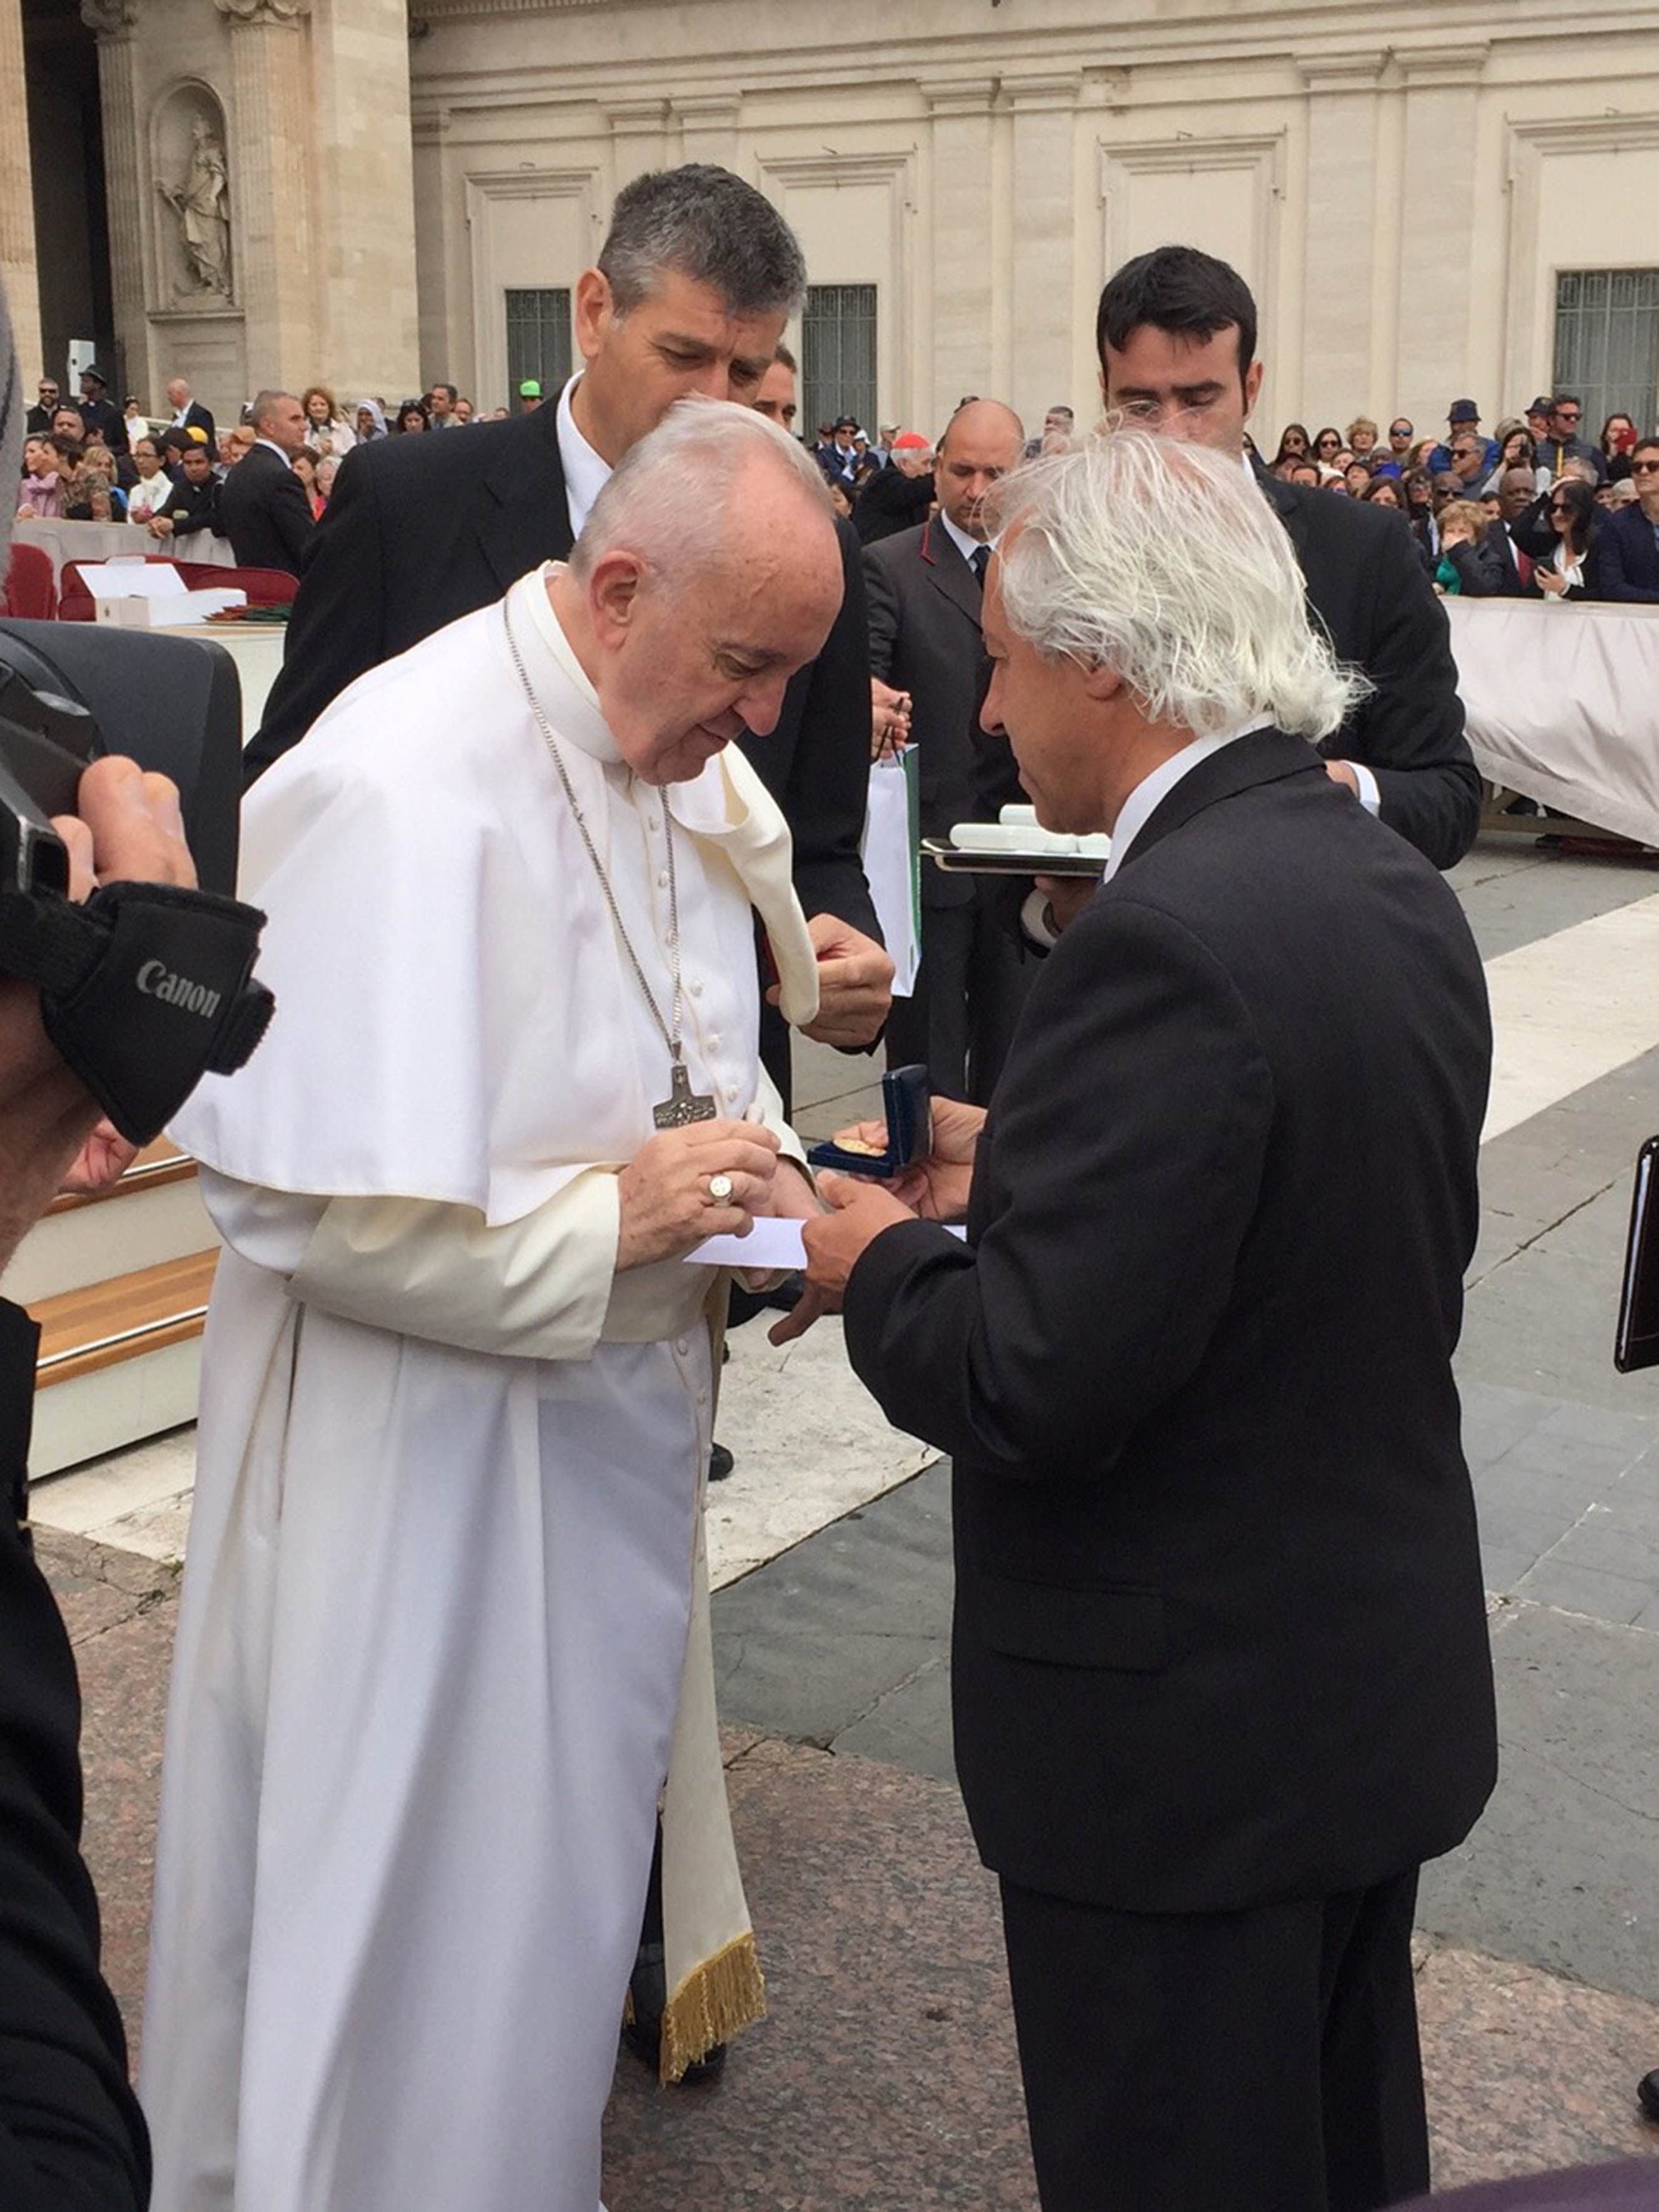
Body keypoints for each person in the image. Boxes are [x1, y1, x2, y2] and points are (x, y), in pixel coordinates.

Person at [781, 428, 1498, 2212]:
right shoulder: (1372, 877)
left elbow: (1031, 1377)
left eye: (1011, 662)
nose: (996, 711)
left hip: (1181, 1757)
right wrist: (1028, 1159)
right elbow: (1292, 1209)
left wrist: (862, 1250)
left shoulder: (1158, 937)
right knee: (1337, 2149)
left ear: (1106, 657)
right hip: (1347, 1692)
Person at [140, 400, 843, 2212]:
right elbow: (292, 1203)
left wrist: (754, 1201)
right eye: (747, 668)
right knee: (413, 1920)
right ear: (619, 587)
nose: (758, 720)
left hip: (599, 1450)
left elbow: (703, 1014)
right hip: (419, 1473)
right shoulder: (395, 776)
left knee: (543, 1918)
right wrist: (613, 1219)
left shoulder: (662, 726)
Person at [242, 163, 889, 1066]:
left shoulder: (808, 555)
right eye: (682, 355)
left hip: (714, 1099)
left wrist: (838, 948)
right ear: (594, 312)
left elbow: (815, 837)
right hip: (460, 1076)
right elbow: (293, 785)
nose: (714, 400)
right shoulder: (408, 504)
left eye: (745, 370)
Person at [1084, 244, 1480, 871]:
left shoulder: (1362, 551)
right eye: (1139, 406)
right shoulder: (1065, 554)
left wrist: (1335, 789)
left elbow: (1447, 799)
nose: (1171, 434)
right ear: (1103, 391)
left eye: (1197, 400)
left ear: (1250, 387)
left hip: (1313, 943)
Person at [864, 399, 1033, 1101]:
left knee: (1018, 1060)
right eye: (961, 471)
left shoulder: (1049, 570)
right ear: (933, 471)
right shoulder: (889, 567)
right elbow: (862, 677)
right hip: (930, 854)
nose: (977, 490)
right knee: (925, 1061)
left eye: (996, 473)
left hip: (1027, 853)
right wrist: (869, 701)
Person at [216, 389, 315, 574]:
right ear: (269, 426)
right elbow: (307, 545)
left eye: (304, 419)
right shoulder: (281, 478)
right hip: (286, 591)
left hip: (252, 587)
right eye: (295, 419)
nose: (305, 426)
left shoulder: (237, 472)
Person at [1595, 433, 1659, 601]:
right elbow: (1612, 587)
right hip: (1634, 621)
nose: (1644, 472)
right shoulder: (1616, 524)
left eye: (1653, 466)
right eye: (1637, 467)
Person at [852, 430, 936, 545]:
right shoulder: (885, 481)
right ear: (904, 464)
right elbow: (917, 490)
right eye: (925, 464)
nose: (929, 471)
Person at [1536, 476, 1601, 599]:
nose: (1557, 514)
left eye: (1567, 509)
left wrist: (1566, 589)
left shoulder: (1600, 548)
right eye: (1553, 508)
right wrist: (1546, 495)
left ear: (1582, 511)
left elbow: (1606, 594)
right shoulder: (1549, 547)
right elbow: (1518, 530)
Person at [145, 438, 220, 541]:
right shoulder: (181, 487)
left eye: (199, 462)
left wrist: (176, 525)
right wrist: (156, 521)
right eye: (188, 463)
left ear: (211, 464)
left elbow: (212, 517)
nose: (193, 468)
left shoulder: (219, 487)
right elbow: (167, 509)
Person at [1538, 393, 1605, 485]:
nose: (1573, 420)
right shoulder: (1536, 452)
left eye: (1576, 417)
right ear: (1552, 420)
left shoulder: (1592, 453)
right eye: (1567, 417)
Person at [122, 435, 174, 524]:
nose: (140, 461)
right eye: (137, 456)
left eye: (147, 456)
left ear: (161, 460)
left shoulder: (172, 491)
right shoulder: (135, 491)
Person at [162, 376, 215, 455]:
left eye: (170, 394)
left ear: (180, 394)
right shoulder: (177, 416)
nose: (168, 398)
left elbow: (207, 442)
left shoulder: (201, 414)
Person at [300, 384, 355, 456]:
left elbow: (353, 452)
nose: (319, 408)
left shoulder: (343, 428)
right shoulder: (303, 429)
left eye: (323, 404)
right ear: (308, 409)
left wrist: (334, 450)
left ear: (329, 408)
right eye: (314, 405)